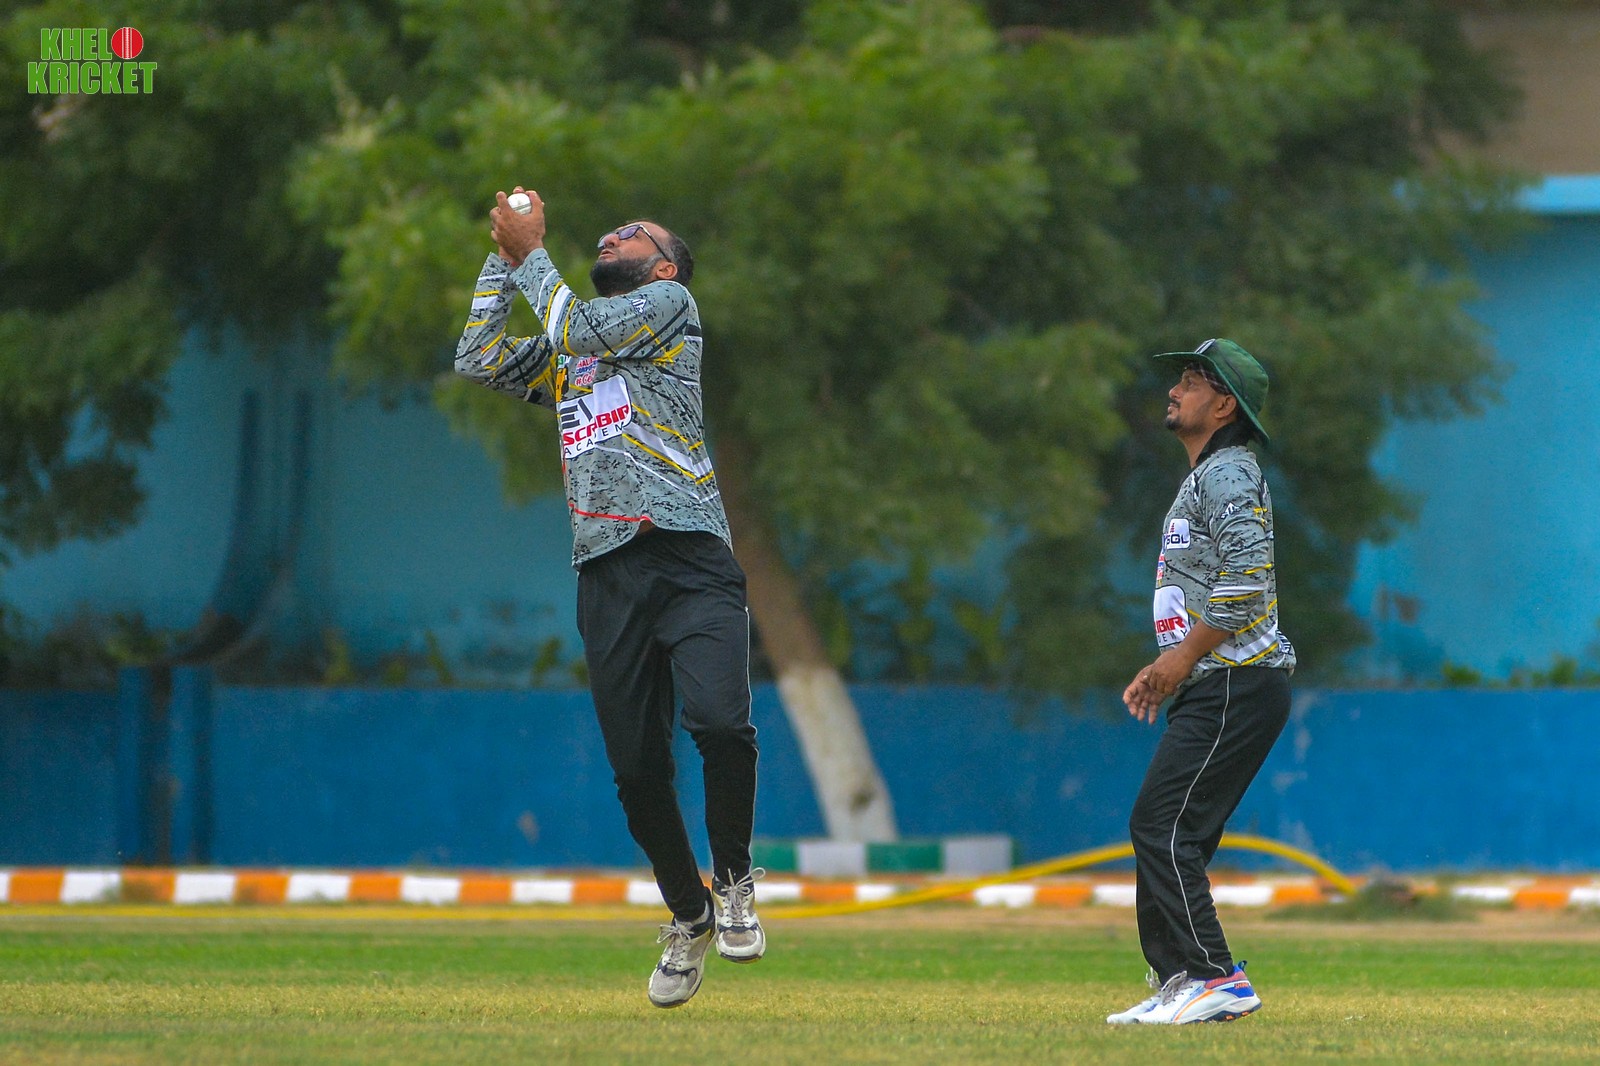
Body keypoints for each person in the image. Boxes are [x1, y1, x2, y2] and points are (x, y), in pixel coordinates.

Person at [454, 186, 763, 1009]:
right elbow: (477, 357)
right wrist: (504, 260)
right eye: (612, 231)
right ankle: (690, 915)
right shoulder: (573, 353)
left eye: (633, 234)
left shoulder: (669, 307)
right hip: (607, 573)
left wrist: (532, 252)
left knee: (720, 723)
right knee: (636, 770)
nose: (613, 236)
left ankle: (734, 880)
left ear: (662, 267)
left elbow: (579, 326)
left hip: (690, 557)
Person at [1108, 338, 1296, 1026]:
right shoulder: (1209, 475)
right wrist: (1169, 667)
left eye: (1191, 381)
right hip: (1216, 682)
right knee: (1167, 829)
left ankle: (1216, 976)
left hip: (1236, 680)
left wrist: (1181, 659)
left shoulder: (1229, 473)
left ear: (1224, 406)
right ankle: (1181, 980)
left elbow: (1247, 579)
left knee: (1162, 825)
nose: (1174, 390)